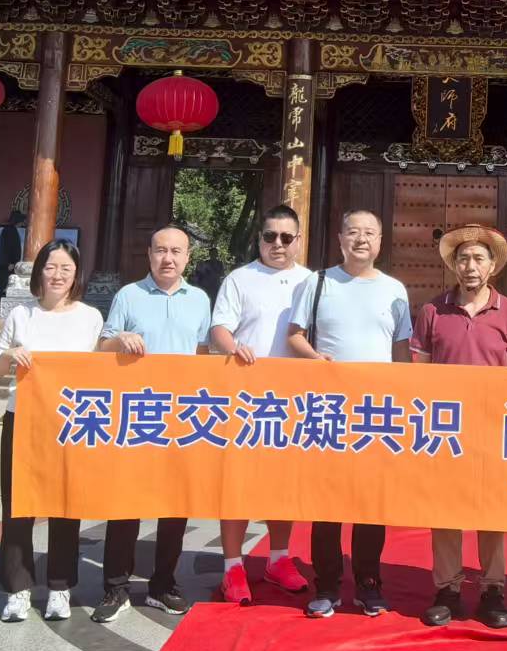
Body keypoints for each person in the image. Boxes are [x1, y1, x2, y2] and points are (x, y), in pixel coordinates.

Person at [286, 208, 412, 618]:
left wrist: (405, 398)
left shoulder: (394, 290)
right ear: (340, 239)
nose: (361, 239)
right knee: (327, 503)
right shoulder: (318, 282)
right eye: (353, 232)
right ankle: (326, 584)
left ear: (380, 241)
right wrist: (316, 360)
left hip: (377, 412)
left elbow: (401, 351)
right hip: (330, 410)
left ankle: (368, 583)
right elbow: (295, 336)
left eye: (369, 233)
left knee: (370, 503)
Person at [90, 224, 213, 624]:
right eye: (161, 250)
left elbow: (202, 354)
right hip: (137, 415)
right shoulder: (129, 295)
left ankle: (163, 584)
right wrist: (120, 340)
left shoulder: (200, 300)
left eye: (176, 251)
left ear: (188, 257)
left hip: (181, 418)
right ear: (149, 254)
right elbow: (102, 346)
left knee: (174, 506)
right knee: (125, 502)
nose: (168, 258)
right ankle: (115, 587)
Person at [411, 224, 507, 630]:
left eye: (479, 258)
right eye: (463, 259)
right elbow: (419, 373)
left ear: (492, 266)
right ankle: (447, 589)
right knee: (445, 511)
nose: (470, 266)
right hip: (446, 431)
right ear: (453, 265)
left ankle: (493, 589)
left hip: (493, 431)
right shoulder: (433, 311)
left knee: (491, 512)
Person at [0, 239, 103, 623]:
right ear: (39, 271)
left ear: (77, 274)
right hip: (23, 419)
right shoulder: (21, 315)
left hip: (70, 423)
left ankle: (59, 587)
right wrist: (8, 355)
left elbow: (98, 372)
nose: (57, 275)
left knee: (66, 505)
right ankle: (17, 588)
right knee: (18, 504)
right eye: (51, 267)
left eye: (66, 269)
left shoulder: (90, 317)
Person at [207, 203, 315, 605]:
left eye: (286, 237)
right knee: (238, 482)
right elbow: (219, 327)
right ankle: (232, 565)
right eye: (270, 236)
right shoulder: (240, 278)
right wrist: (233, 346)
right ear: (259, 239)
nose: (278, 244)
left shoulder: (310, 281)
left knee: (282, 484)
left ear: (298, 240)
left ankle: (278, 558)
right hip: (246, 396)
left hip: (293, 398)